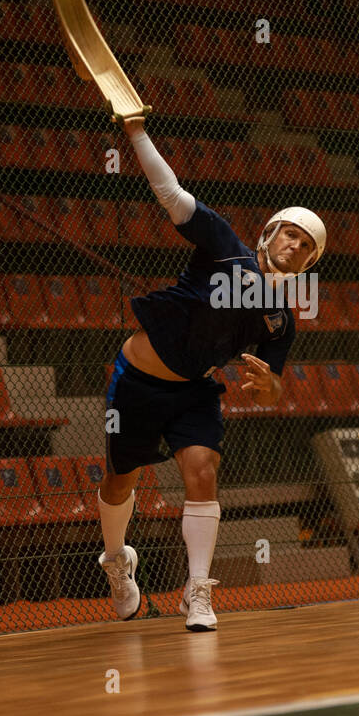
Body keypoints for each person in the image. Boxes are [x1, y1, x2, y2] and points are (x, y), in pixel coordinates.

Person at [97, 114, 326, 631]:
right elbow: (170, 193)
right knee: (119, 481)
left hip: (195, 393)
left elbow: (274, 388)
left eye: (306, 246)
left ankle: (197, 592)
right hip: (137, 380)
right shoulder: (223, 245)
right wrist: (135, 131)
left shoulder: (280, 321)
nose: (295, 245)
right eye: (291, 234)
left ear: (308, 264)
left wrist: (271, 387)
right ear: (271, 232)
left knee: (203, 473)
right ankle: (117, 560)